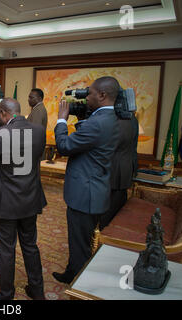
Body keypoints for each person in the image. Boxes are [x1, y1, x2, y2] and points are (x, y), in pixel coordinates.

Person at [0, 98, 47, 300]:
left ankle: (6, 297)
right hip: (30, 199)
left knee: (7, 251)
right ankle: (37, 291)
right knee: (30, 246)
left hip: (6, 202)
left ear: (4, 113)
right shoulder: (39, 131)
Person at [53, 76, 121, 284]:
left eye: (90, 93)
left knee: (80, 242)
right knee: (80, 239)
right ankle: (72, 271)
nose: (87, 98)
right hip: (95, 188)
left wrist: (62, 119)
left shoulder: (98, 123)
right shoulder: (111, 118)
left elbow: (64, 146)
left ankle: (80, 283)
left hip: (86, 193)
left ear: (102, 95)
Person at [99, 112, 139, 230]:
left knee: (109, 212)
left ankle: (103, 238)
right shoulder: (131, 118)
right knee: (117, 206)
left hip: (116, 170)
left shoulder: (120, 120)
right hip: (124, 168)